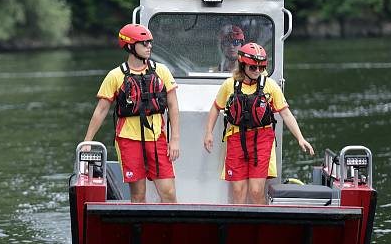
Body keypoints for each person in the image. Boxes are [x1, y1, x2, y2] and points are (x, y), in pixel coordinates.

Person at [203, 42, 313, 204]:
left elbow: (286, 113)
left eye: (261, 68)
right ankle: (238, 227)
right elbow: (215, 108)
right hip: (236, 138)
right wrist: (209, 133)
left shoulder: (270, 85)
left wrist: (300, 138)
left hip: (261, 139)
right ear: (242, 65)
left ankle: (262, 226)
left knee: (255, 191)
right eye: (253, 67)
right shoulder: (229, 84)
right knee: (238, 192)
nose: (257, 71)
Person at [82, 24, 180, 203]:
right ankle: (141, 230)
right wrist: (88, 140)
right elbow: (101, 110)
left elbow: (173, 105)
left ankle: (169, 229)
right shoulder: (115, 76)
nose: (149, 46)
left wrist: (174, 139)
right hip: (128, 141)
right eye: (144, 43)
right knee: (138, 194)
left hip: (157, 138)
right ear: (129, 46)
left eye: (150, 42)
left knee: (168, 192)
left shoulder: (161, 71)